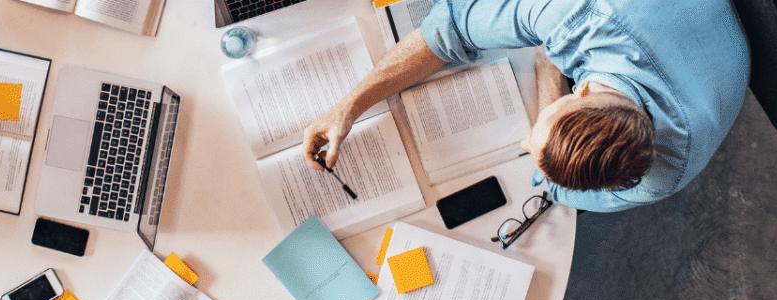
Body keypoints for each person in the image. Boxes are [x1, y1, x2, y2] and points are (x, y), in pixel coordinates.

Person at [303, 0, 750, 212]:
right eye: (539, 127)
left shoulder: (656, 179)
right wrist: (348, 107)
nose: (524, 136)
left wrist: (549, 85)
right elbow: (449, 28)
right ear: (584, 93)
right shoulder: (578, 16)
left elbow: (557, 188)